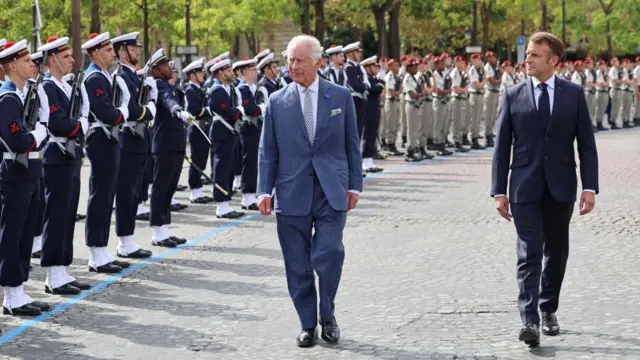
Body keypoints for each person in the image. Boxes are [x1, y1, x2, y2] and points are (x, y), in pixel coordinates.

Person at [491, 32, 598, 346]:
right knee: (529, 252)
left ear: (553, 61)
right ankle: (529, 320)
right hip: (524, 186)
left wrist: (590, 187)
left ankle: (548, 307)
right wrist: (499, 191)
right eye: (528, 55)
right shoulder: (512, 94)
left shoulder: (573, 94)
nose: (528, 60)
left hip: (561, 185)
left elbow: (587, 146)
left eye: (535, 55)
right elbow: (501, 148)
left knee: (557, 251)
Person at [257, 35, 363, 348]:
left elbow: (351, 145)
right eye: (289, 60)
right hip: (291, 192)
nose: (292, 66)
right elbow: (268, 151)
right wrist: (264, 191)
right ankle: (308, 324)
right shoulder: (277, 102)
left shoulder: (340, 97)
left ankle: (327, 314)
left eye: (299, 60)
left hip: (332, 191)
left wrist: (355, 184)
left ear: (317, 62)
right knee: (297, 264)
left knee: (329, 254)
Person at [0, 39, 51, 316]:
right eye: (27, 61)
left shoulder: (21, 94)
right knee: (13, 233)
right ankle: (11, 294)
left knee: (24, 234)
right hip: (14, 174)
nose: (32, 64)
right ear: (12, 66)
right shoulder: (7, 97)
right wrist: (42, 131)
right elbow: (17, 140)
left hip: (28, 172)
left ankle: (18, 290)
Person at [39, 36, 91, 294]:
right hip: (56, 155)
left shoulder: (67, 86)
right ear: (53, 60)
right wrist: (81, 125)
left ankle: (62, 268)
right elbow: (57, 122)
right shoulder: (48, 87)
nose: (72, 59)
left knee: (69, 212)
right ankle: (52, 273)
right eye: (67, 56)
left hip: (70, 154)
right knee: (57, 213)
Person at [81, 32, 132, 273]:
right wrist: (124, 110)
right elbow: (106, 113)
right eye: (109, 50)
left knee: (106, 193)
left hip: (108, 138)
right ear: (95, 53)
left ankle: (102, 248)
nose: (113, 53)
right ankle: (95, 251)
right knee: (100, 194)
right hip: (100, 138)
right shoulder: (94, 78)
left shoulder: (104, 76)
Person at [111, 31, 157, 259]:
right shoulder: (120, 76)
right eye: (133, 47)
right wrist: (149, 109)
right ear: (122, 52)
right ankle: (124, 240)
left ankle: (128, 238)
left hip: (139, 141)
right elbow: (130, 108)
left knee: (134, 190)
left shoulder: (134, 76)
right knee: (126, 191)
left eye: (138, 47)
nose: (138, 50)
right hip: (128, 140)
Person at [149, 49, 188, 247]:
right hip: (164, 144)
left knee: (170, 188)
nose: (169, 68)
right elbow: (167, 100)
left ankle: (165, 228)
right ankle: (157, 231)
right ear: (155, 69)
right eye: (164, 65)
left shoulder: (170, 86)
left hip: (175, 144)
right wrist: (177, 110)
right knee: (161, 188)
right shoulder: (158, 85)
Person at [183, 57, 213, 204]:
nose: (203, 74)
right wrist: (208, 110)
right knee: (196, 159)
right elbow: (194, 110)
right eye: (199, 72)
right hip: (196, 128)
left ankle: (198, 190)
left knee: (202, 159)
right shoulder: (190, 90)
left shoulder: (199, 89)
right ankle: (194, 191)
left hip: (204, 127)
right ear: (192, 75)